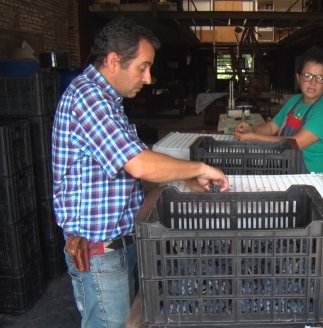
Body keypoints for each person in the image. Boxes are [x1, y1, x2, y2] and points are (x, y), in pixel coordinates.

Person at [51, 18, 228, 328]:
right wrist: (199, 167)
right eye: (142, 67)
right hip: (100, 254)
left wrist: (185, 178)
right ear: (113, 61)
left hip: (120, 244)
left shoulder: (108, 101)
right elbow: (139, 163)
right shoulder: (88, 99)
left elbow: (133, 161)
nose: (148, 78)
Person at [234, 46, 323, 185]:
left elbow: (296, 143)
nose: (313, 83)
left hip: (315, 181)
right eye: (307, 76)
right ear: (298, 77)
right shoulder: (294, 101)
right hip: (289, 172)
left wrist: (254, 138)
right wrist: (252, 129)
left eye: (320, 78)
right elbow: (272, 127)